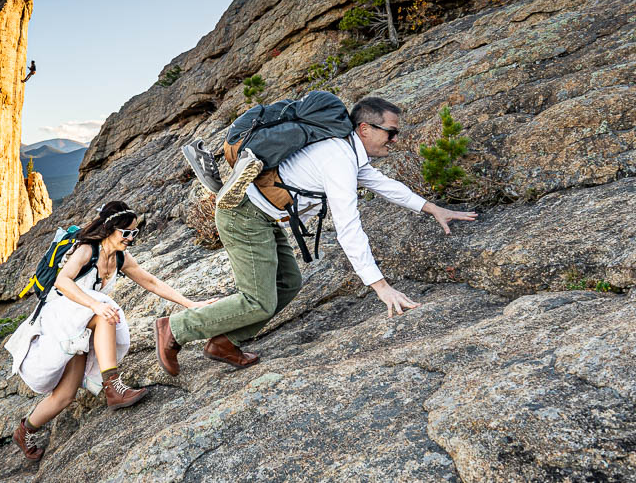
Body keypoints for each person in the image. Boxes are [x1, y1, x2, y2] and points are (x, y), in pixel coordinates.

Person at [158, 97, 477, 375]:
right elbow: (348, 227)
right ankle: (175, 328)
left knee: (288, 284)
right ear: (365, 129)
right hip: (244, 215)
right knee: (258, 301)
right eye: (391, 132)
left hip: (263, 215)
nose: (394, 139)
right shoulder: (338, 159)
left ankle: (226, 341)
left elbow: (383, 184)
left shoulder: (348, 154)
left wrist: (432, 208)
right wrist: (380, 287)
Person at [5, 201, 216, 461]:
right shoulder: (86, 250)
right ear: (110, 228)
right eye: (126, 232)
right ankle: (113, 388)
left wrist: (190, 303)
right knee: (106, 313)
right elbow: (62, 281)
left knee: (65, 396)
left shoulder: (119, 257)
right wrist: (95, 304)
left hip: (81, 318)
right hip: (61, 314)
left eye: (134, 233)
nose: (131, 238)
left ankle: (24, 431)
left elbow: (150, 280)